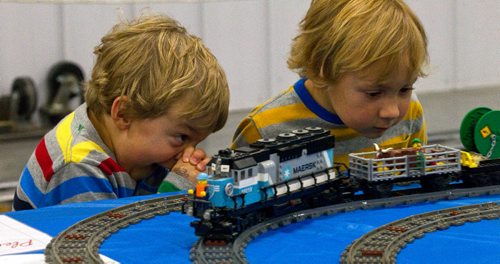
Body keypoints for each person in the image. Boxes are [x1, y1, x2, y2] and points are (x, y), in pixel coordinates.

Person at [13, 13, 229, 211]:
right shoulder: (78, 168)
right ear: (124, 114)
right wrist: (178, 189)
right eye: (182, 137)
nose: (188, 155)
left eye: (196, 143)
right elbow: (112, 249)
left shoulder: (133, 141)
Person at [232, 0, 428, 167]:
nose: (392, 112)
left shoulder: (410, 112)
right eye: (374, 93)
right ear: (321, 68)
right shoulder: (265, 129)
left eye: (405, 89)